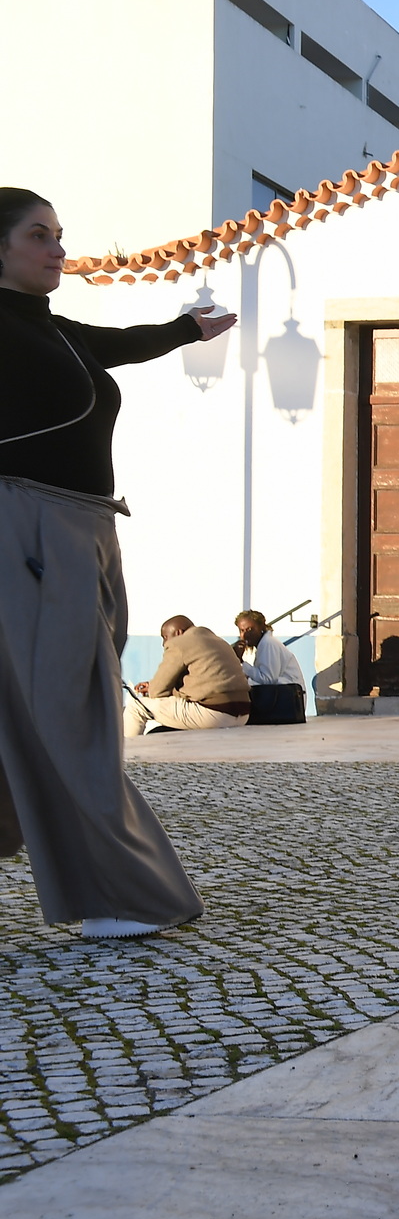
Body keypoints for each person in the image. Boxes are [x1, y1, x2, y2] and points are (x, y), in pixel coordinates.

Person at [0, 186, 230, 938]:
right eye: (39, 235)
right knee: (71, 712)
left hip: (84, 530)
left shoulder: (53, 328)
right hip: (28, 527)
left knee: (47, 705)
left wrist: (187, 328)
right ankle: (114, 894)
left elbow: (122, 343)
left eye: (59, 234)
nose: (59, 249)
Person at [126, 616, 251, 735]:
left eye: (165, 637)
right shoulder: (218, 641)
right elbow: (207, 682)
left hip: (214, 714)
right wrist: (154, 686)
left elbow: (158, 691)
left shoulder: (179, 643)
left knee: (136, 707)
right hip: (243, 713)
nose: (163, 644)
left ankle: (127, 750)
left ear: (179, 632)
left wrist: (153, 688)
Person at [234, 609, 306, 691]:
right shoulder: (263, 644)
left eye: (250, 629)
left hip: (288, 694)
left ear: (261, 627)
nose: (245, 635)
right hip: (282, 692)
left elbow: (268, 680)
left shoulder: (268, 643)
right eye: (242, 630)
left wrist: (242, 662)